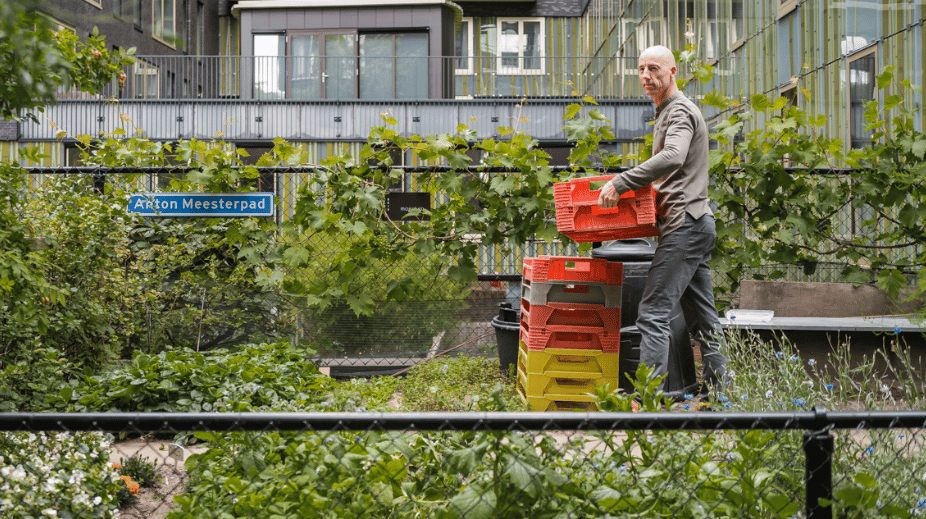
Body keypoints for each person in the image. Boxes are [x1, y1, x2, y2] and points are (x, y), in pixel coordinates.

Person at [597, 45, 727, 398]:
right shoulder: (669, 110)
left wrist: (621, 181)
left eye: (653, 69)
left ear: (672, 72)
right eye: (640, 69)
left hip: (685, 225)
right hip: (695, 223)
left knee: (652, 311)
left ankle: (649, 400)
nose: (645, 76)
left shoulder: (680, 111)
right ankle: (719, 396)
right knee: (703, 318)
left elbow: (673, 156)